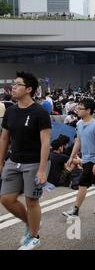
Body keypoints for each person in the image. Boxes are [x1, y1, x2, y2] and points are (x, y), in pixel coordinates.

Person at [0, 72, 51, 250]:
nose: (13, 87)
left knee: (31, 201)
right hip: (14, 161)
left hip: (35, 162)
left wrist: (42, 170)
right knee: (6, 199)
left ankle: (34, 236)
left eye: (17, 84)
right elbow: (4, 138)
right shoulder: (11, 111)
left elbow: (46, 143)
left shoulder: (40, 112)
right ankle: (31, 224)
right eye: (13, 84)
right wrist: (0, 162)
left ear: (29, 89)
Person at [62, 99, 95, 218]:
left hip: (93, 159)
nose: (77, 110)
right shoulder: (79, 124)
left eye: (80, 108)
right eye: (78, 108)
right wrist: (72, 156)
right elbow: (78, 141)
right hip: (85, 158)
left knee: (83, 183)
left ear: (88, 111)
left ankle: (75, 210)